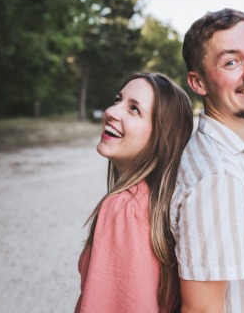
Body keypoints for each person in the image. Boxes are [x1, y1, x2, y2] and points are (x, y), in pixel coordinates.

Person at [170, 9, 244, 312]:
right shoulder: (218, 175)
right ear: (198, 83)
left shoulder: (240, 152)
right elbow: (202, 309)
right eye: (232, 62)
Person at [75, 72, 194, 313]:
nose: (111, 111)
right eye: (118, 100)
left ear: (162, 138)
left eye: (134, 109)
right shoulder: (157, 205)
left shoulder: (125, 209)